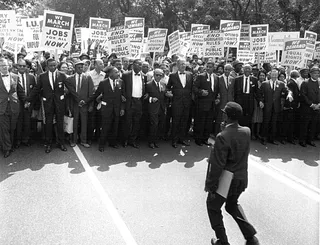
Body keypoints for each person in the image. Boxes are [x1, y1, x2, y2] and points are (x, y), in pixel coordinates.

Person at [205, 101, 259, 245]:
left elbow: (217, 165)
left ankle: (222, 241)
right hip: (241, 177)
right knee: (232, 205)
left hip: (227, 179)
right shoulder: (246, 131)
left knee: (213, 206)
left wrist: (210, 186)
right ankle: (250, 237)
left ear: (227, 117)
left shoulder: (222, 136)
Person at [26, 58, 81, 153]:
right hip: (48, 103)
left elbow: (70, 88)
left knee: (60, 123)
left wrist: (78, 99)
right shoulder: (42, 76)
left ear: (56, 65)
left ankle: (61, 143)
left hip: (59, 103)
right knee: (48, 124)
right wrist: (28, 100)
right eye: (50, 66)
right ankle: (48, 143)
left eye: (54, 65)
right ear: (47, 66)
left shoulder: (62, 75)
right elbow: (36, 89)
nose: (53, 67)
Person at [91, 66, 125, 151]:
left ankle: (112, 143)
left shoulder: (120, 82)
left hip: (116, 109)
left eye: (118, 72)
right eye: (116, 72)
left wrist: (122, 108)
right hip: (106, 109)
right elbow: (97, 95)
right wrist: (98, 102)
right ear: (110, 74)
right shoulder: (103, 83)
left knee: (115, 127)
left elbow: (122, 97)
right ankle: (101, 145)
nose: (118, 73)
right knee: (105, 127)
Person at [0, 58, 26, 158]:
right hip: (2, 107)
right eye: (2, 66)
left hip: (14, 106)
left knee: (12, 127)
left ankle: (10, 144)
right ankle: (7, 148)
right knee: (4, 128)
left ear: (9, 66)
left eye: (5, 65)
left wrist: (26, 101)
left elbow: (20, 91)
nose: (4, 67)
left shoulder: (15, 76)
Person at [166, 58, 193, 148]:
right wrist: (168, 93)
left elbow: (192, 88)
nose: (183, 66)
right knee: (176, 122)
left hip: (187, 102)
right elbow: (168, 87)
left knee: (184, 122)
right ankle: (174, 140)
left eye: (184, 64)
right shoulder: (172, 76)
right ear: (177, 65)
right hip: (176, 102)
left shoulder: (190, 75)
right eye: (181, 64)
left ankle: (182, 139)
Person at [260, 69, 291, 145]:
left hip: (276, 106)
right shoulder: (264, 83)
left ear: (277, 75)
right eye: (273, 74)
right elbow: (260, 94)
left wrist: (289, 94)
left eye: (275, 74)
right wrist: (261, 101)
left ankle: (272, 139)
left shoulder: (281, 84)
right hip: (267, 106)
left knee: (274, 123)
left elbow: (288, 90)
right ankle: (264, 138)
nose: (274, 76)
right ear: (270, 75)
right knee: (266, 122)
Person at [67, 61, 94, 148]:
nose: (81, 69)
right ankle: (73, 140)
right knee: (74, 122)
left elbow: (91, 92)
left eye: (82, 67)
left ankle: (83, 140)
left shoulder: (88, 77)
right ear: (75, 68)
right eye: (79, 67)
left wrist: (89, 104)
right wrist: (77, 101)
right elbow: (70, 93)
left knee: (84, 123)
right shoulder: (70, 79)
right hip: (74, 104)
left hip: (85, 104)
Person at [193, 61, 220, 146]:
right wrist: (201, 92)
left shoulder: (216, 77)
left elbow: (217, 90)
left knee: (208, 123)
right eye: (207, 66)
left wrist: (217, 98)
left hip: (212, 104)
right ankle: (198, 139)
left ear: (213, 68)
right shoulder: (200, 76)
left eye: (210, 66)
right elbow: (194, 87)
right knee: (200, 122)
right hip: (202, 103)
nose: (208, 68)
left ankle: (205, 139)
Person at [122, 59, 147, 148]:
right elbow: (122, 88)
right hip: (129, 101)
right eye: (139, 64)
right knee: (127, 122)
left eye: (141, 65)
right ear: (133, 65)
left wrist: (146, 94)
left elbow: (145, 88)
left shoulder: (144, 76)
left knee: (137, 122)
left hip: (139, 101)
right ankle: (125, 140)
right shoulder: (126, 75)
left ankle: (132, 140)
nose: (140, 66)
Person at [15, 58, 37, 148]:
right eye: (20, 66)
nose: (22, 67)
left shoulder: (31, 77)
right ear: (17, 66)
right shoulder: (13, 76)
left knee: (27, 123)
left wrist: (29, 101)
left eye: (24, 66)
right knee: (18, 123)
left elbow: (35, 91)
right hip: (17, 104)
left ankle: (25, 139)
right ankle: (17, 141)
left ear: (26, 67)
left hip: (28, 104)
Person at [234, 64, 261, 128]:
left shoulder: (254, 79)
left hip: (250, 100)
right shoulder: (238, 79)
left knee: (249, 118)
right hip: (240, 100)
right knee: (240, 116)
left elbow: (256, 92)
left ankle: (247, 133)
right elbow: (234, 91)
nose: (247, 70)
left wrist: (260, 101)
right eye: (246, 68)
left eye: (249, 69)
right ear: (243, 70)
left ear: (251, 70)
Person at [299, 66, 320, 147]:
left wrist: (318, 105)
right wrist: (311, 104)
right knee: (305, 124)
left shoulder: (319, 82)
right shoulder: (305, 83)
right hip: (307, 107)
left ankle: (310, 140)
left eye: (318, 73)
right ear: (310, 74)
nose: (317, 75)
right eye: (315, 73)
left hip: (317, 108)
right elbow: (303, 95)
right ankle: (302, 140)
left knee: (313, 125)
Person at [145, 68, 166, 148]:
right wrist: (151, 98)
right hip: (153, 108)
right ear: (153, 75)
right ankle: (151, 141)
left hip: (161, 107)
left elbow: (164, 95)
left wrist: (167, 95)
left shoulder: (163, 84)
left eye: (160, 75)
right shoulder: (148, 84)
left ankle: (156, 140)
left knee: (160, 124)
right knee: (154, 124)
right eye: (157, 75)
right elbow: (145, 97)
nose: (158, 77)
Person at [87, 59, 106, 144]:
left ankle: (97, 136)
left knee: (100, 118)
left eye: (103, 63)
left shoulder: (104, 75)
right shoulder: (89, 74)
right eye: (100, 63)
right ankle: (89, 138)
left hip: (101, 98)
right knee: (91, 119)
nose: (102, 65)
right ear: (95, 65)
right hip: (92, 98)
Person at [215, 64, 235, 135]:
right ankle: (217, 133)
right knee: (219, 118)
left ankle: (226, 133)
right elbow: (216, 90)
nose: (227, 71)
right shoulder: (218, 78)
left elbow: (233, 91)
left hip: (229, 101)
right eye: (225, 69)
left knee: (227, 118)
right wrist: (217, 98)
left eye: (228, 70)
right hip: (221, 101)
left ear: (231, 70)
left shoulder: (233, 79)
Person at [283, 70, 300, 144]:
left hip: (294, 105)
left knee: (291, 122)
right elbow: (290, 93)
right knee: (288, 123)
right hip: (291, 106)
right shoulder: (291, 83)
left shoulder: (293, 82)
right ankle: (285, 138)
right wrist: (290, 106)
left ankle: (289, 137)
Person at [251, 70, 266, 140]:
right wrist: (259, 101)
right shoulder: (255, 83)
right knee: (254, 118)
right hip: (255, 102)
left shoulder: (266, 83)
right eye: (260, 75)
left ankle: (258, 133)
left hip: (263, 103)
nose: (262, 77)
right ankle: (253, 133)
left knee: (260, 118)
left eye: (263, 75)